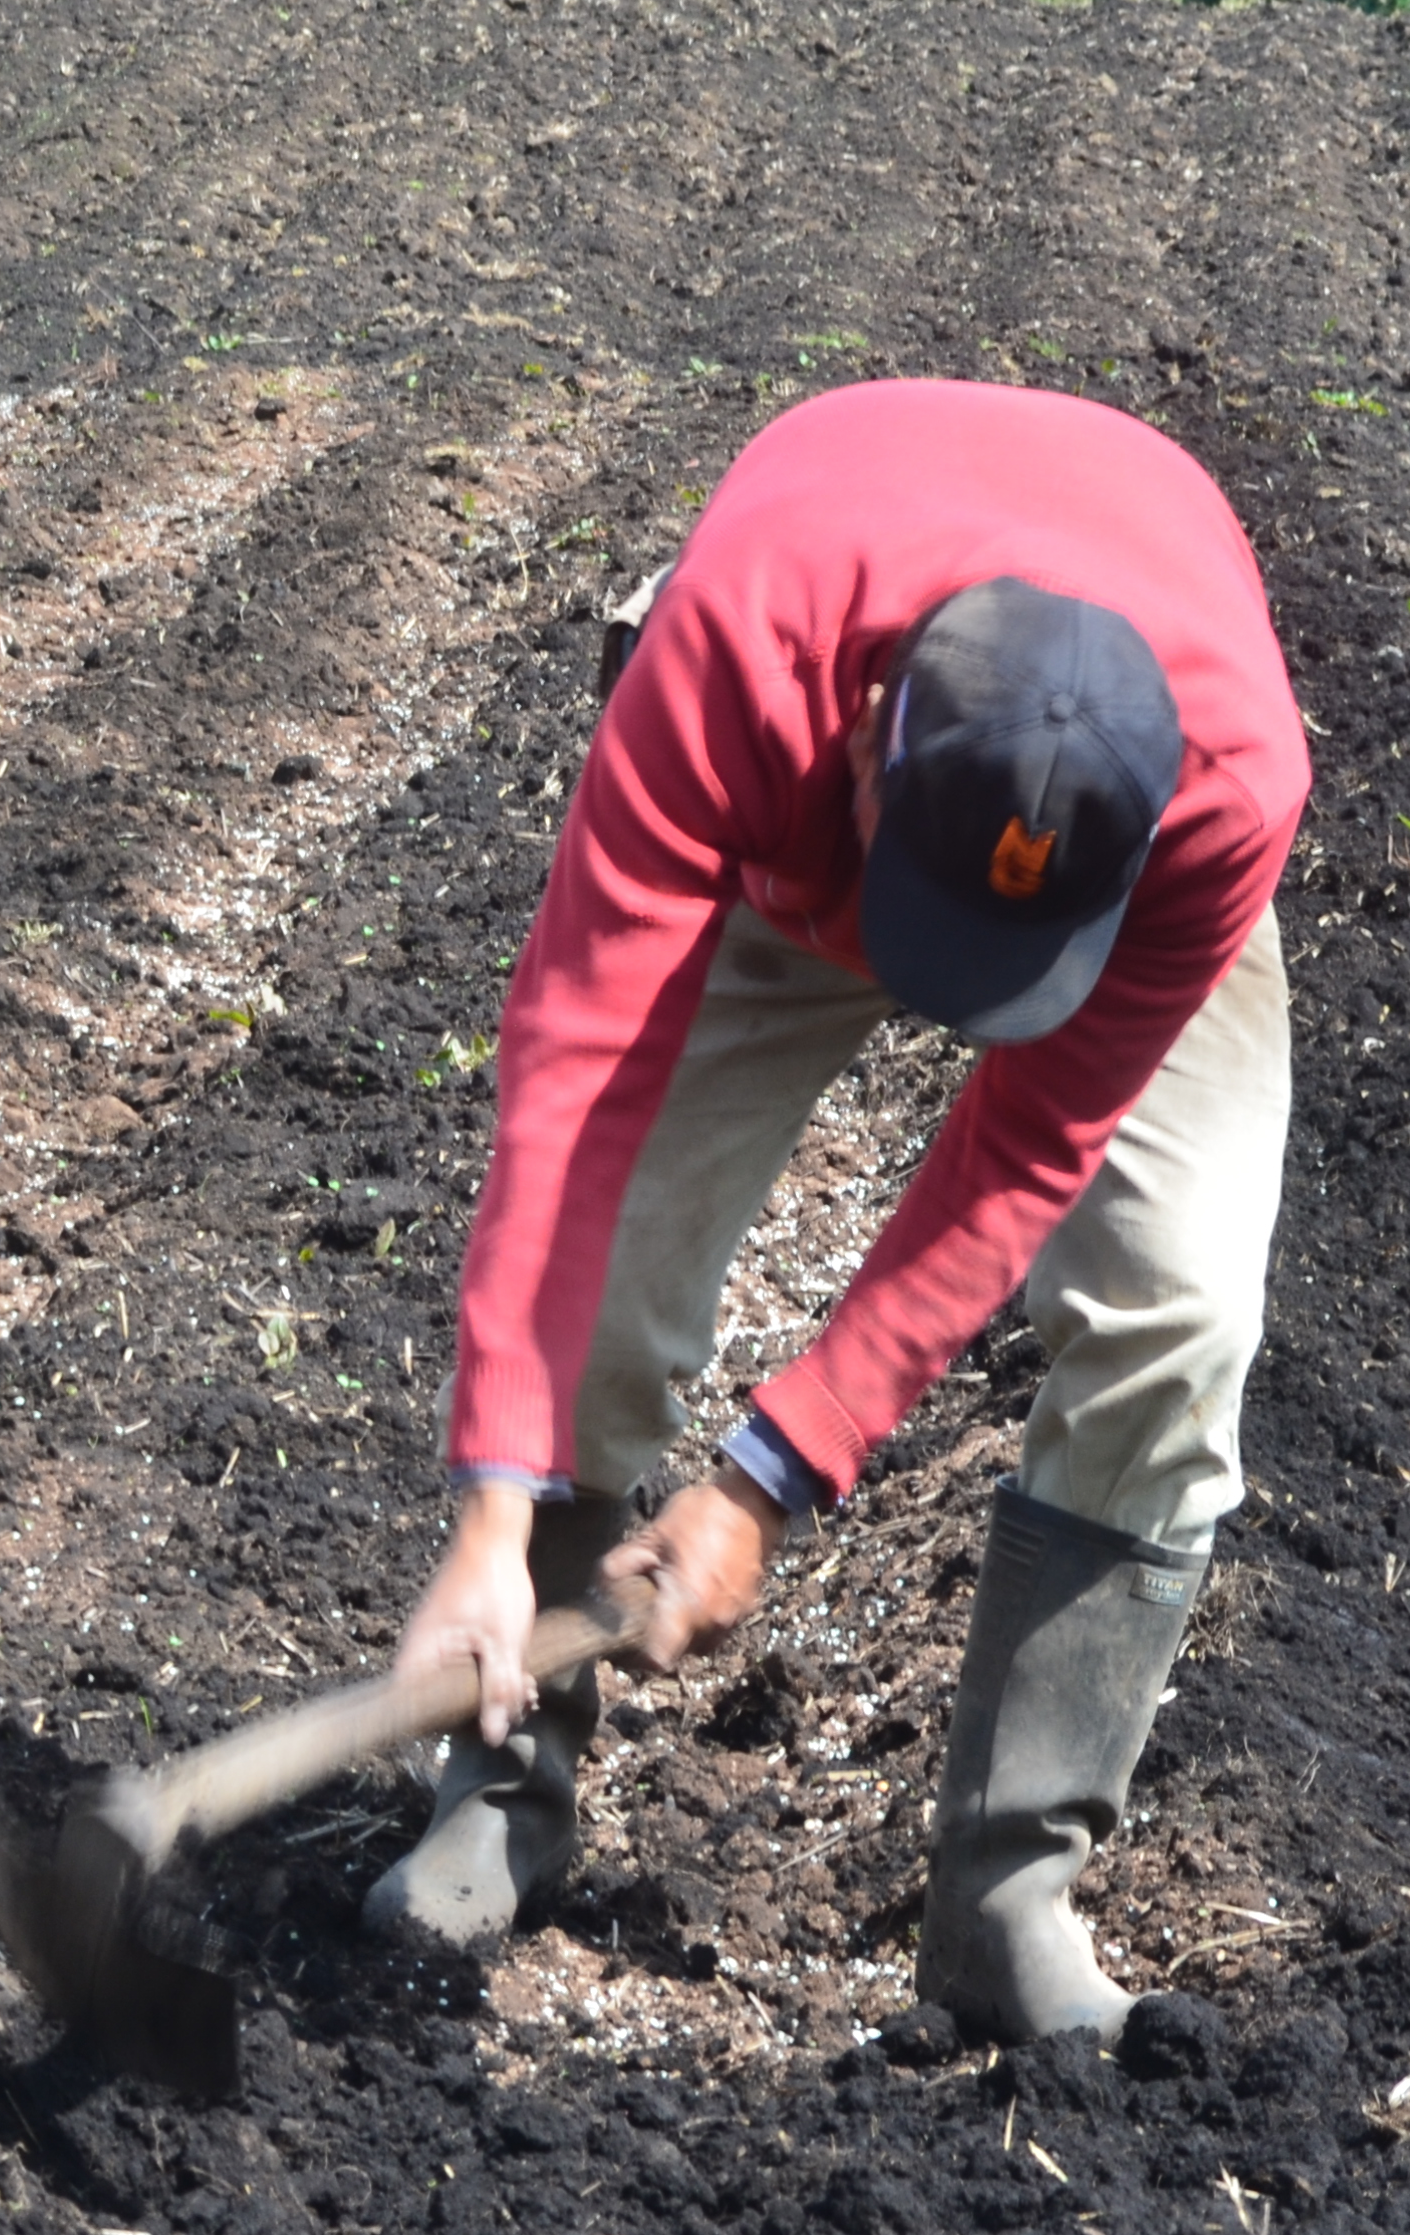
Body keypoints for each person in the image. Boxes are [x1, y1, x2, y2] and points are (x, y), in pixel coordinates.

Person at [381, 377, 1310, 2044]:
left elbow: (1024, 1148)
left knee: (1182, 1314)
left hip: (1122, 860)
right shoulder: (747, 650)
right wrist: (491, 1517)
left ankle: (1009, 1890)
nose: (938, 991)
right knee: (607, 1274)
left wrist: (773, 1472)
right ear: (876, 731)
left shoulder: (1222, 790)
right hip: (778, 837)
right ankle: (500, 1787)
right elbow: (575, 1062)